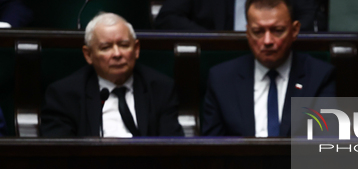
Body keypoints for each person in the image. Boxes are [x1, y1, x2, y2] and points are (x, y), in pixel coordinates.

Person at [201, 0, 335, 137]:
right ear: (247, 32)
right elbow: (212, 150)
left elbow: (325, 145)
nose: (267, 41)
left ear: (294, 30)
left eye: (277, 31)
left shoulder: (319, 76)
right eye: (258, 32)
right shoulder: (222, 79)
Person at [40, 13, 184, 138]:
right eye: (106, 47)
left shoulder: (160, 88)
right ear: (88, 55)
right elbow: (59, 156)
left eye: (124, 45)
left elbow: (172, 147)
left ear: (136, 49)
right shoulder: (65, 94)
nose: (117, 54)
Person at [154, 0, 325, 32]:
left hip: (279, 57)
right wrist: (215, 41)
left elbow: (307, 19)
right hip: (219, 61)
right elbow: (168, 17)